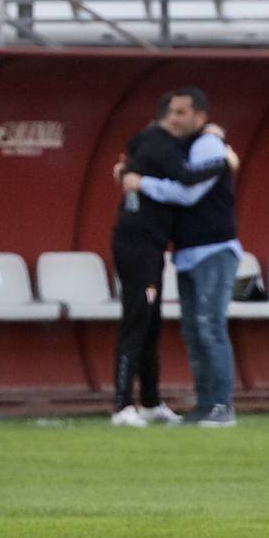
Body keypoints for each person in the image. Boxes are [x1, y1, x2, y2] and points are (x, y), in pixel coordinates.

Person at [110, 90, 232, 428]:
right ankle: (122, 406)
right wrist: (222, 157)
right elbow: (188, 181)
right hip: (137, 243)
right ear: (165, 116)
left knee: (150, 323)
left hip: (152, 244)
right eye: (173, 113)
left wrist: (130, 174)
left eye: (183, 113)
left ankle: (150, 402)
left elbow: (132, 153)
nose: (177, 119)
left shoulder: (153, 140)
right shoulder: (161, 144)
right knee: (137, 321)